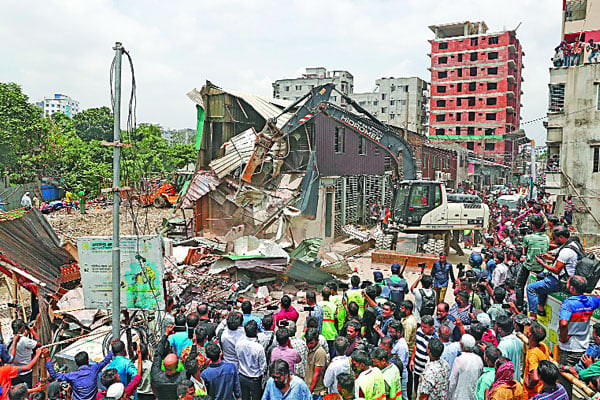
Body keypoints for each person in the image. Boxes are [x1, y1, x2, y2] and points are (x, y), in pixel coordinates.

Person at [530, 227, 581, 319]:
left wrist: (541, 263)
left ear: (561, 237)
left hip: (561, 281)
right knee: (540, 276)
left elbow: (556, 270)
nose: (553, 241)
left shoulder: (566, 251)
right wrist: (549, 258)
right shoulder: (573, 244)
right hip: (567, 276)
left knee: (531, 288)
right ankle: (540, 307)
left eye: (554, 238)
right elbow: (564, 263)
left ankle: (533, 315)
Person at [558, 275, 600, 367]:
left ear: (572, 288)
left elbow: (563, 324)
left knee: (564, 377)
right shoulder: (591, 301)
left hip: (568, 348)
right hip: (583, 348)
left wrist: (563, 338)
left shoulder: (568, 304)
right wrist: (587, 295)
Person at [44, 345, 111, 400]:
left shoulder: (72, 376)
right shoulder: (94, 369)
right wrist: (112, 349)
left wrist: (47, 358)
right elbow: (105, 361)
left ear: (76, 363)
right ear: (88, 361)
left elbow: (54, 375)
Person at [516, 215, 549, 311]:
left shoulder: (527, 237)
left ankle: (519, 305)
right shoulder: (546, 238)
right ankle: (541, 306)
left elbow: (524, 252)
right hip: (541, 265)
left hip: (530, 264)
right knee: (540, 286)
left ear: (533, 226)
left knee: (519, 284)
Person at [150, 325, 187, 399]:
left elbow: (158, 355)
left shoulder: (156, 377)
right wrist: (195, 343)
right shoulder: (183, 378)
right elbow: (191, 364)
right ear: (177, 366)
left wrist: (165, 335)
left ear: (163, 364)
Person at [236, 320, 266, 400]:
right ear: (256, 332)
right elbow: (263, 366)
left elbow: (238, 357)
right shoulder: (259, 348)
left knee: (245, 397)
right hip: (255, 378)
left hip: (242, 375)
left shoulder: (239, 343)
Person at [447, 334, 483, 400]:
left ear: (461, 345)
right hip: (472, 396)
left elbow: (452, 382)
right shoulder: (479, 359)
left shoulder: (459, 360)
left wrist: (448, 396)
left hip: (458, 396)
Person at [8, 319, 40, 387]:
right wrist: (32, 331)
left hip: (14, 372)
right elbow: (39, 343)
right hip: (26, 372)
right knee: (30, 388)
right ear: (21, 329)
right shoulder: (25, 340)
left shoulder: (9, 339)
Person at [410, 315, 436, 396]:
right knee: (416, 388)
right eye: (421, 326)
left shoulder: (434, 339)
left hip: (425, 372)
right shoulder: (419, 331)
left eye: (425, 327)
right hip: (417, 368)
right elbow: (415, 345)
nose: (422, 328)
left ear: (432, 327)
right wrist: (412, 360)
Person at [524, 322, 551, 398]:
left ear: (530, 335)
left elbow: (535, 378)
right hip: (542, 387)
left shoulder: (533, 354)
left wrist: (529, 385)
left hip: (532, 393)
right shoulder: (543, 346)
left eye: (529, 329)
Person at [495, 315, 523, 381]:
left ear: (499, 329)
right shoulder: (517, 340)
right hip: (516, 380)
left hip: (508, 382)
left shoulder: (503, 345)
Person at [304, 328, 328, 399]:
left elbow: (316, 374)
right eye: (307, 342)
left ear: (317, 341)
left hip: (316, 391)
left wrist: (309, 392)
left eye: (311, 343)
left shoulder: (319, 353)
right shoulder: (311, 349)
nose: (308, 345)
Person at [319, 287, 338, 359]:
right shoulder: (334, 306)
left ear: (321, 295)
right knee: (332, 356)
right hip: (331, 333)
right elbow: (336, 320)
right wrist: (337, 331)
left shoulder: (318, 305)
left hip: (321, 334)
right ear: (330, 294)